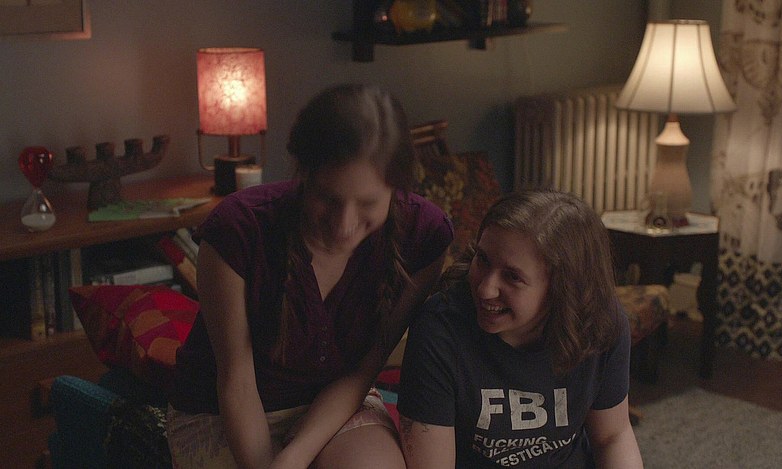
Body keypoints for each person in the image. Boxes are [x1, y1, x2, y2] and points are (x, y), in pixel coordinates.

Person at [166, 83, 454, 469]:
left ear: (398, 186)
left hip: (338, 405)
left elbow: (363, 370)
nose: (344, 226)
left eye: (368, 203)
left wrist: (296, 455)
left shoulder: (425, 236)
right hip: (221, 411)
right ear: (302, 173)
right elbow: (236, 382)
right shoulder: (237, 230)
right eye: (328, 198)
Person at [397, 189, 643, 468]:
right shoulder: (439, 330)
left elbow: (612, 437)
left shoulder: (600, 324)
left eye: (512, 277)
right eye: (483, 259)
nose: (485, 289)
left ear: (562, 288)